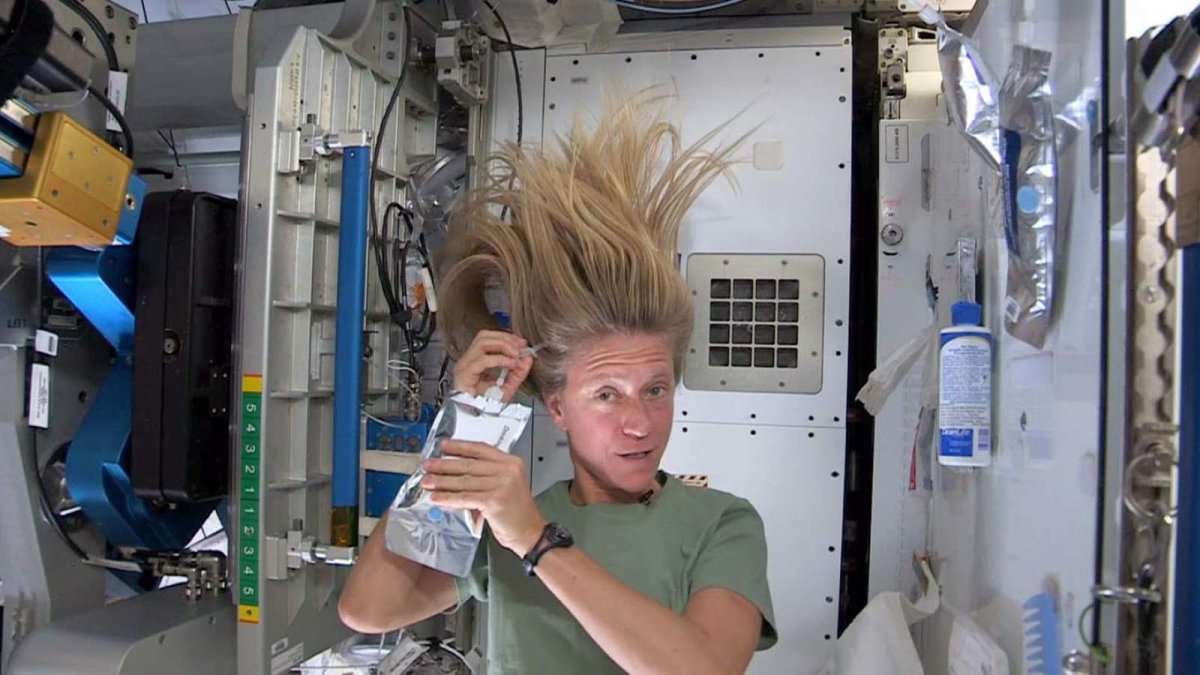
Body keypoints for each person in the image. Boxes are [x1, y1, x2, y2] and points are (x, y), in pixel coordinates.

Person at [339, 94, 776, 674]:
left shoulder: (720, 522)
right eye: (606, 395)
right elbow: (368, 609)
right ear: (558, 407)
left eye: (655, 390)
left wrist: (537, 542)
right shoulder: (508, 516)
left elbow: (706, 669)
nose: (640, 423)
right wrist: (457, 434)